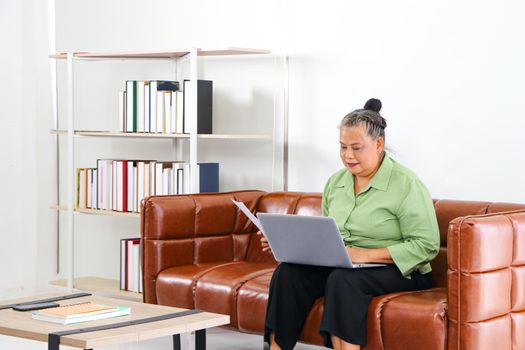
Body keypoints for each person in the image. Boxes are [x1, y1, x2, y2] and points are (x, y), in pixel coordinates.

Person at [259, 98, 440, 350]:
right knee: (288, 274)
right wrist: (288, 245)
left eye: (356, 148)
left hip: (404, 272)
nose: (348, 155)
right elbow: (328, 236)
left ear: (378, 145)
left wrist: (362, 255)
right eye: (343, 147)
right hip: (346, 264)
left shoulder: (406, 184)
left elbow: (426, 246)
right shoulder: (336, 182)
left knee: (344, 280)